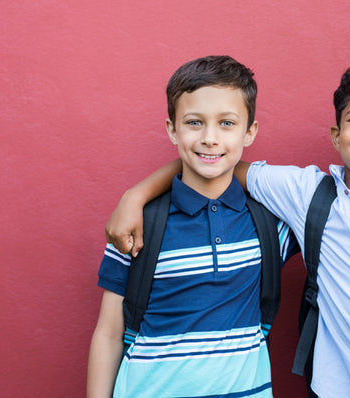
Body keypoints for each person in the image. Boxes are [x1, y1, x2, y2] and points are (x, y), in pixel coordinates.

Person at [104, 57, 350, 397]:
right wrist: (135, 196)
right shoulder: (303, 198)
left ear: (249, 132)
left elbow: (219, 159)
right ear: (336, 134)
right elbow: (214, 163)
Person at [87, 55, 301, 398]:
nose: (210, 138)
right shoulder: (137, 227)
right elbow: (109, 334)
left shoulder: (270, 225)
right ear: (172, 129)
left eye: (227, 124)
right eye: (194, 123)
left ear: (250, 132)